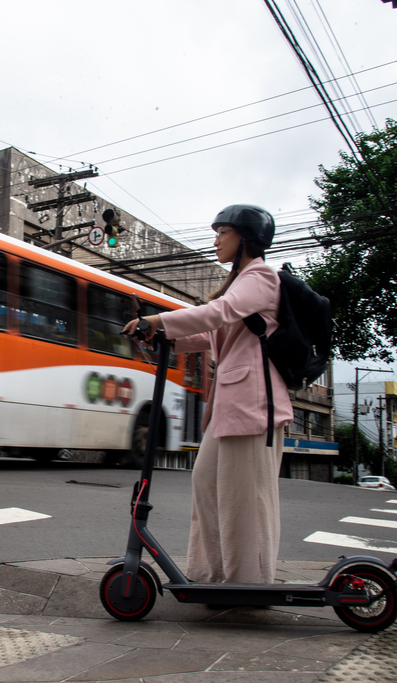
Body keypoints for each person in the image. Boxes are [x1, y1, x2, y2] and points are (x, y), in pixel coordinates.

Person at [123, 204, 293, 584]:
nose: (216, 240)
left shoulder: (261, 276)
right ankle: (212, 574)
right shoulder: (239, 283)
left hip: (253, 406)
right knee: (207, 484)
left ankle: (248, 582)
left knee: (245, 498)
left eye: (223, 232)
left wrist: (159, 320)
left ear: (246, 237)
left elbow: (218, 313)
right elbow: (209, 333)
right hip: (229, 408)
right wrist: (160, 333)